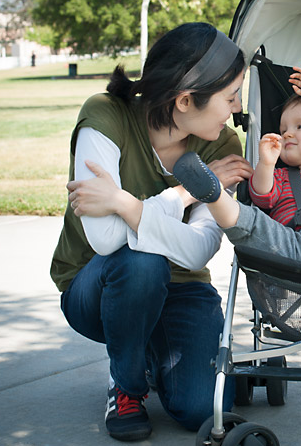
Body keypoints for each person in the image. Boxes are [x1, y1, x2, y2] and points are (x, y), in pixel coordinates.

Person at [50, 23, 254, 442]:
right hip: (102, 286)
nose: (237, 108)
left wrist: (125, 204)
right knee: (141, 261)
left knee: (201, 408)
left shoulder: (222, 147)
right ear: (184, 100)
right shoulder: (105, 117)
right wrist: (185, 194)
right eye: (230, 96)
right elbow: (106, 242)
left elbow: (197, 251)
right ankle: (125, 386)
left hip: (182, 288)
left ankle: (151, 355)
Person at [173, 64, 301, 340]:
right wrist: (266, 164)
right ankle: (214, 194)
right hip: (287, 243)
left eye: (300, 126)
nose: (287, 133)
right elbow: (262, 196)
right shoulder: (280, 176)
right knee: (252, 222)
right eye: (283, 128)